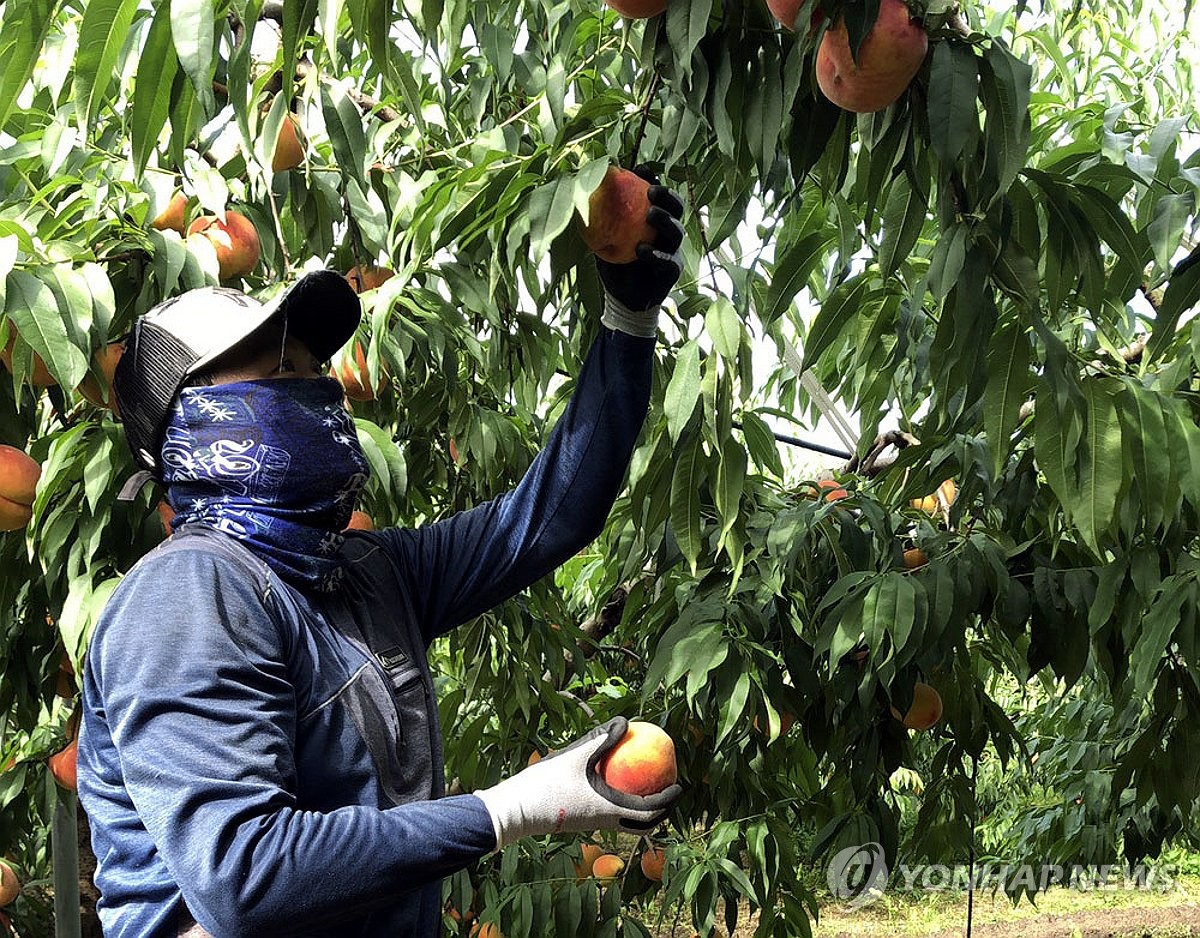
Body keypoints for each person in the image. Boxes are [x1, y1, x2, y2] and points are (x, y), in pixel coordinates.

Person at [76, 177, 686, 937]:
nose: (318, 388)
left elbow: (550, 517)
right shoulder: (188, 593)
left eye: (311, 365)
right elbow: (245, 873)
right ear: (190, 424)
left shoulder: (365, 572)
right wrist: (516, 807)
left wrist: (629, 316)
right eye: (280, 371)